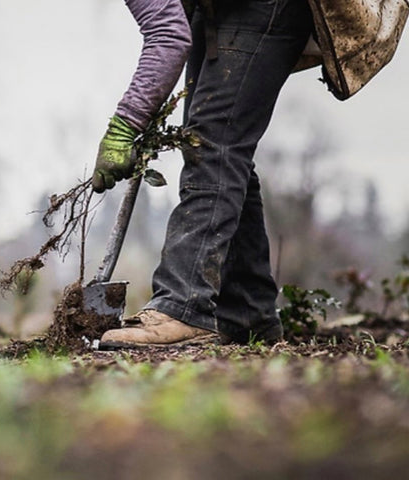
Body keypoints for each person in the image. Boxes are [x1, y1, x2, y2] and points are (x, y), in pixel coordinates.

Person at [92, 0, 408, 348]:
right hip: (221, 10)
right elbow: (171, 28)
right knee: (219, 144)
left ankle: (183, 307)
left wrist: (125, 125)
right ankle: (247, 311)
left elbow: (168, 36)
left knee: (212, 144)